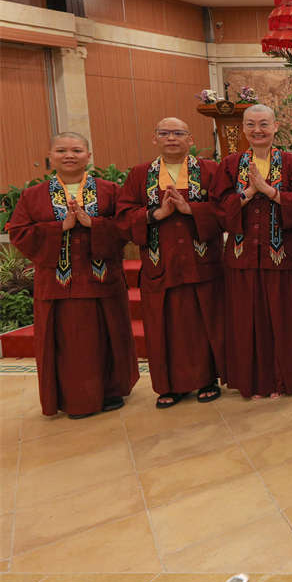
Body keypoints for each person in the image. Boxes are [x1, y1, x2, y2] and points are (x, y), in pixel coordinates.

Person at [6, 132, 137, 418]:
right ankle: (73, 399)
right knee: (67, 345)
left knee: (107, 337)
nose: (69, 155)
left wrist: (94, 224)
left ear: (88, 156)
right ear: (50, 157)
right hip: (57, 284)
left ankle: (111, 391)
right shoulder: (33, 195)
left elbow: (127, 226)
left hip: (102, 280)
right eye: (61, 150)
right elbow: (18, 233)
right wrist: (60, 228)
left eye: (76, 150)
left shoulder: (110, 190)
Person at [210, 104, 292, 399]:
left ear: (275, 127)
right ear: (243, 129)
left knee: (283, 316)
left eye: (263, 124)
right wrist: (249, 192)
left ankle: (285, 378)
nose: (257, 130)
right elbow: (218, 206)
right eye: (251, 124)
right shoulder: (231, 164)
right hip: (242, 254)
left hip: (282, 253)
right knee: (246, 318)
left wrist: (270, 191)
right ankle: (254, 381)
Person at [117, 118, 224, 408]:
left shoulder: (209, 170)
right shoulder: (140, 175)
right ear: (155, 139)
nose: (171, 138)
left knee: (203, 322)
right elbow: (123, 217)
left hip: (201, 262)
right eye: (164, 133)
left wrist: (191, 210)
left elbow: (226, 210)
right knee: (163, 326)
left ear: (190, 139)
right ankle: (169, 385)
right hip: (159, 265)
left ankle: (207, 379)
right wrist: (155, 215)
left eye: (178, 133)